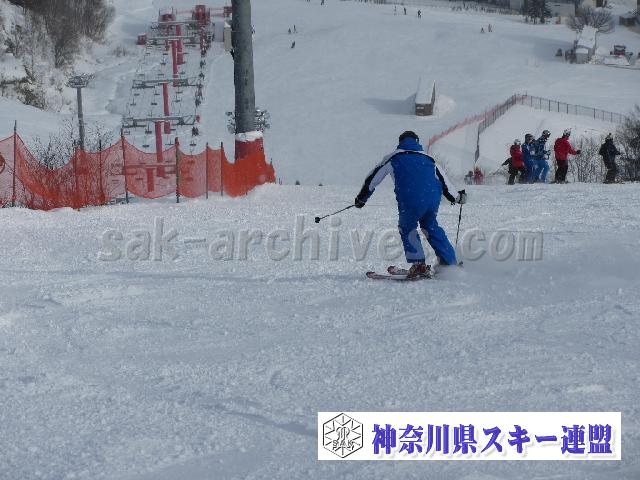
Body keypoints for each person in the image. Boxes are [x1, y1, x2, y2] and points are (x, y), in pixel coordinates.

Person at [355, 131, 466, 278]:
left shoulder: (394, 157)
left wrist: (361, 199)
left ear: (400, 142)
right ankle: (449, 263)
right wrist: (457, 197)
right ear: (417, 142)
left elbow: (372, 179)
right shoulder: (429, 159)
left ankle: (419, 264)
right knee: (431, 226)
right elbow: (446, 184)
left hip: (410, 199)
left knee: (407, 227)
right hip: (432, 200)